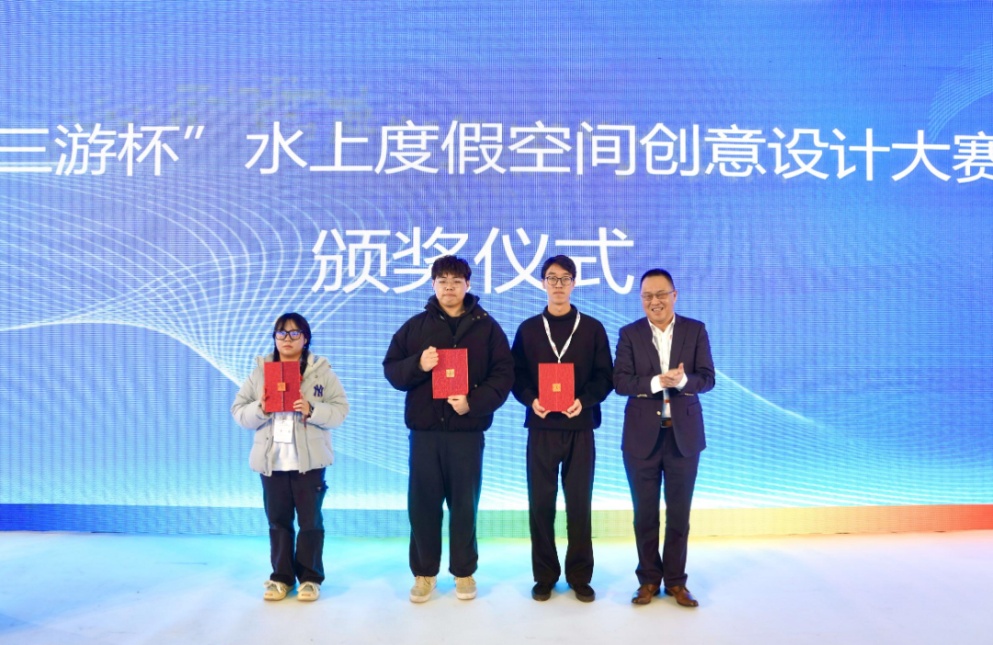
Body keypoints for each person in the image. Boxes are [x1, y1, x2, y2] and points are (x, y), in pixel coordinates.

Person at [383, 255, 514, 603]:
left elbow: (504, 375)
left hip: (466, 434)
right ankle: (424, 574)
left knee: (465, 506)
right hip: (425, 434)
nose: (449, 287)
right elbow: (392, 370)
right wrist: (419, 364)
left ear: (468, 285)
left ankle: (464, 572)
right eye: (442, 281)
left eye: (456, 281)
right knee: (422, 505)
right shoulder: (416, 327)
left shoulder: (487, 328)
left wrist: (473, 402)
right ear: (433, 285)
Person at [510, 255, 613, 603]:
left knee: (579, 504)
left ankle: (580, 576)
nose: (558, 284)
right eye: (552, 278)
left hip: (580, 426)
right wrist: (530, 399)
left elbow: (605, 376)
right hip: (541, 427)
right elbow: (516, 374)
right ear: (542, 283)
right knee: (540, 505)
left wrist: (584, 401)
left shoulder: (592, 328)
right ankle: (544, 576)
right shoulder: (528, 329)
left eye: (565, 278)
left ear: (574, 283)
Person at [614, 269, 715, 608]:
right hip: (641, 438)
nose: (654, 302)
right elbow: (621, 382)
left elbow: (708, 378)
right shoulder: (629, 334)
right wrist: (657, 382)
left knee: (679, 514)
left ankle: (675, 582)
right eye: (647, 296)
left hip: (683, 437)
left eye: (661, 294)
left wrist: (683, 382)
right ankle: (648, 580)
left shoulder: (695, 330)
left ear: (674, 295)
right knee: (644, 514)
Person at [231, 313, 349, 602]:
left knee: (310, 522)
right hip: (272, 462)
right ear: (274, 338)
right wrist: (261, 408)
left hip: (309, 461)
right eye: (282, 333)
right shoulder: (260, 373)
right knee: (278, 523)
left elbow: (340, 411)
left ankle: (310, 578)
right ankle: (281, 578)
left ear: (305, 338)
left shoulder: (321, 372)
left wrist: (312, 409)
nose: (287, 338)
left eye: (295, 333)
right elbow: (239, 412)